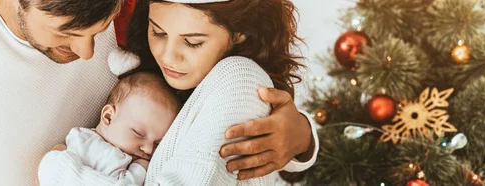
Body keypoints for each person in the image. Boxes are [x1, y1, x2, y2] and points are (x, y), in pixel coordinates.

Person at [0, 0, 315, 185]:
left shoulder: (130, 23)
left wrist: (301, 136)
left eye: (97, 32)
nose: (87, 52)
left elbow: (196, 120)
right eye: (67, 34)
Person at [40, 0, 320, 185]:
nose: (169, 56)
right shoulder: (138, 74)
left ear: (239, 34)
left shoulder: (241, 79)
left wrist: (304, 137)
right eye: (158, 32)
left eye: (192, 42)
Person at [37, 72, 180, 186]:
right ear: (108, 117)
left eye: (157, 144)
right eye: (138, 133)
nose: (148, 150)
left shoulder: (133, 166)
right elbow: (52, 169)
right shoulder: (80, 140)